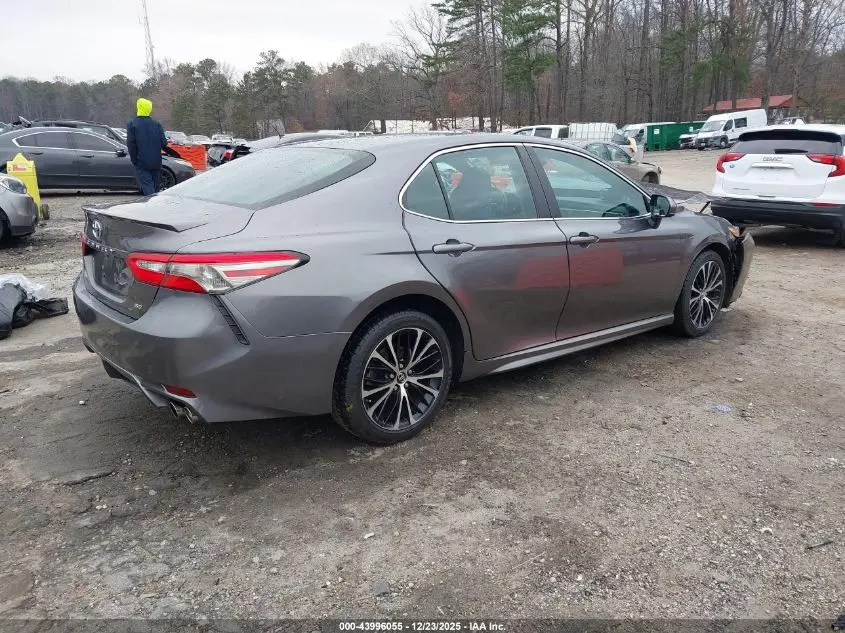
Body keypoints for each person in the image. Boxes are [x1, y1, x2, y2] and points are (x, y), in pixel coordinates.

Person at [126, 98, 179, 195]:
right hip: (156, 161)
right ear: (149, 109)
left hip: (141, 161)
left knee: (147, 187)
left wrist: (134, 160)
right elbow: (163, 143)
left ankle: (151, 203)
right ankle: (156, 202)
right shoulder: (157, 124)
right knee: (155, 186)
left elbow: (131, 144)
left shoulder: (132, 124)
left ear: (138, 107)